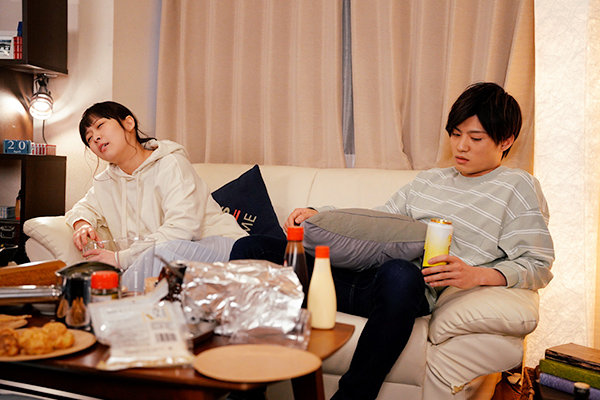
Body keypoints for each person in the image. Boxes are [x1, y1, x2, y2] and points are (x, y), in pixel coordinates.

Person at [229, 82, 555, 400]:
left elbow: (537, 264)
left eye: (475, 138)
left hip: (402, 289)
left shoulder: (516, 186)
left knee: (399, 272)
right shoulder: (429, 181)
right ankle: (246, 388)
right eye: (455, 134)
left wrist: (477, 275)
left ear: (506, 140)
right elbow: (379, 222)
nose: (461, 146)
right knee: (251, 248)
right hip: (353, 276)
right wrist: (320, 215)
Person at [65, 101, 247, 290]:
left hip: (222, 247)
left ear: (128, 123)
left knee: (163, 255)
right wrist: (82, 224)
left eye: (100, 125)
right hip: (158, 257)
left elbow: (182, 230)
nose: (95, 138)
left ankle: (113, 301)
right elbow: (82, 208)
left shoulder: (171, 163)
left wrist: (120, 259)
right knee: (157, 259)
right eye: (89, 138)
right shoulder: (106, 182)